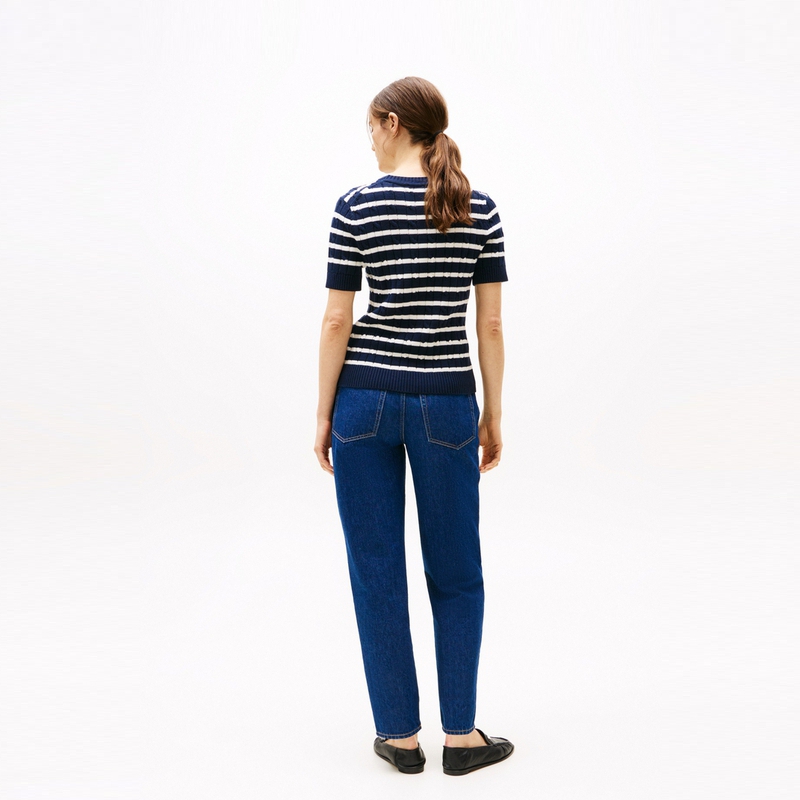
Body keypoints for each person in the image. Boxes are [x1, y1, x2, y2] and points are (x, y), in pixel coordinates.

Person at [313, 76, 514, 776]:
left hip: (363, 402)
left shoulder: (355, 206)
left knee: (376, 570)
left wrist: (323, 411)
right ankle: (461, 737)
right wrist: (492, 411)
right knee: (456, 571)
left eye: (371, 127)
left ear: (393, 123)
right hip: (447, 404)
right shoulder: (478, 207)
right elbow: (490, 323)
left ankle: (399, 737)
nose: (369, 140)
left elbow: (337, 319)